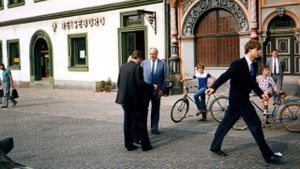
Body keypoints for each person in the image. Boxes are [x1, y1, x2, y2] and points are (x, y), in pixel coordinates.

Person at [206, 40, 283, 163]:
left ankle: (214, 147)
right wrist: (213, 87)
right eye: (257, 49)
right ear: (250, 49)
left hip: (240, 101)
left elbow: (252, 83)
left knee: (225, 124)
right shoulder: (238, 64)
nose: (259, 52)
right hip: (239, 100)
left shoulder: (254, 65)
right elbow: (225, 75)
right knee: (256, 125)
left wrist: (261, 94)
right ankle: (268, 156)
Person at [115, 50, 153, 151]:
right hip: (135, 100)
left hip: (123, 99)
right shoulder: (137, 67)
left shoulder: (123, 66)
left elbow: (118, 82)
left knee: (127, 122)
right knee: (141, 122)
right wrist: (150, 85)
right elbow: (140, 84)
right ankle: (145, 146)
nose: (141, 62)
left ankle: (129, 144)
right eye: (141, 60)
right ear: (139, 58)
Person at [141, 47, 168, 135]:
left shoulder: (163, 64)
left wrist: (163, 90)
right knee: (144, 110)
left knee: (155, 110)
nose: (152, 55)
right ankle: (143, 128)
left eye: (154, 54)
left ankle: (154, 128)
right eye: (150, 54)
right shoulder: (144, 63)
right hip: (145, 91)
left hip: (157, 92)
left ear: (157, 54)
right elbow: (140, 77)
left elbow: (166, 78)